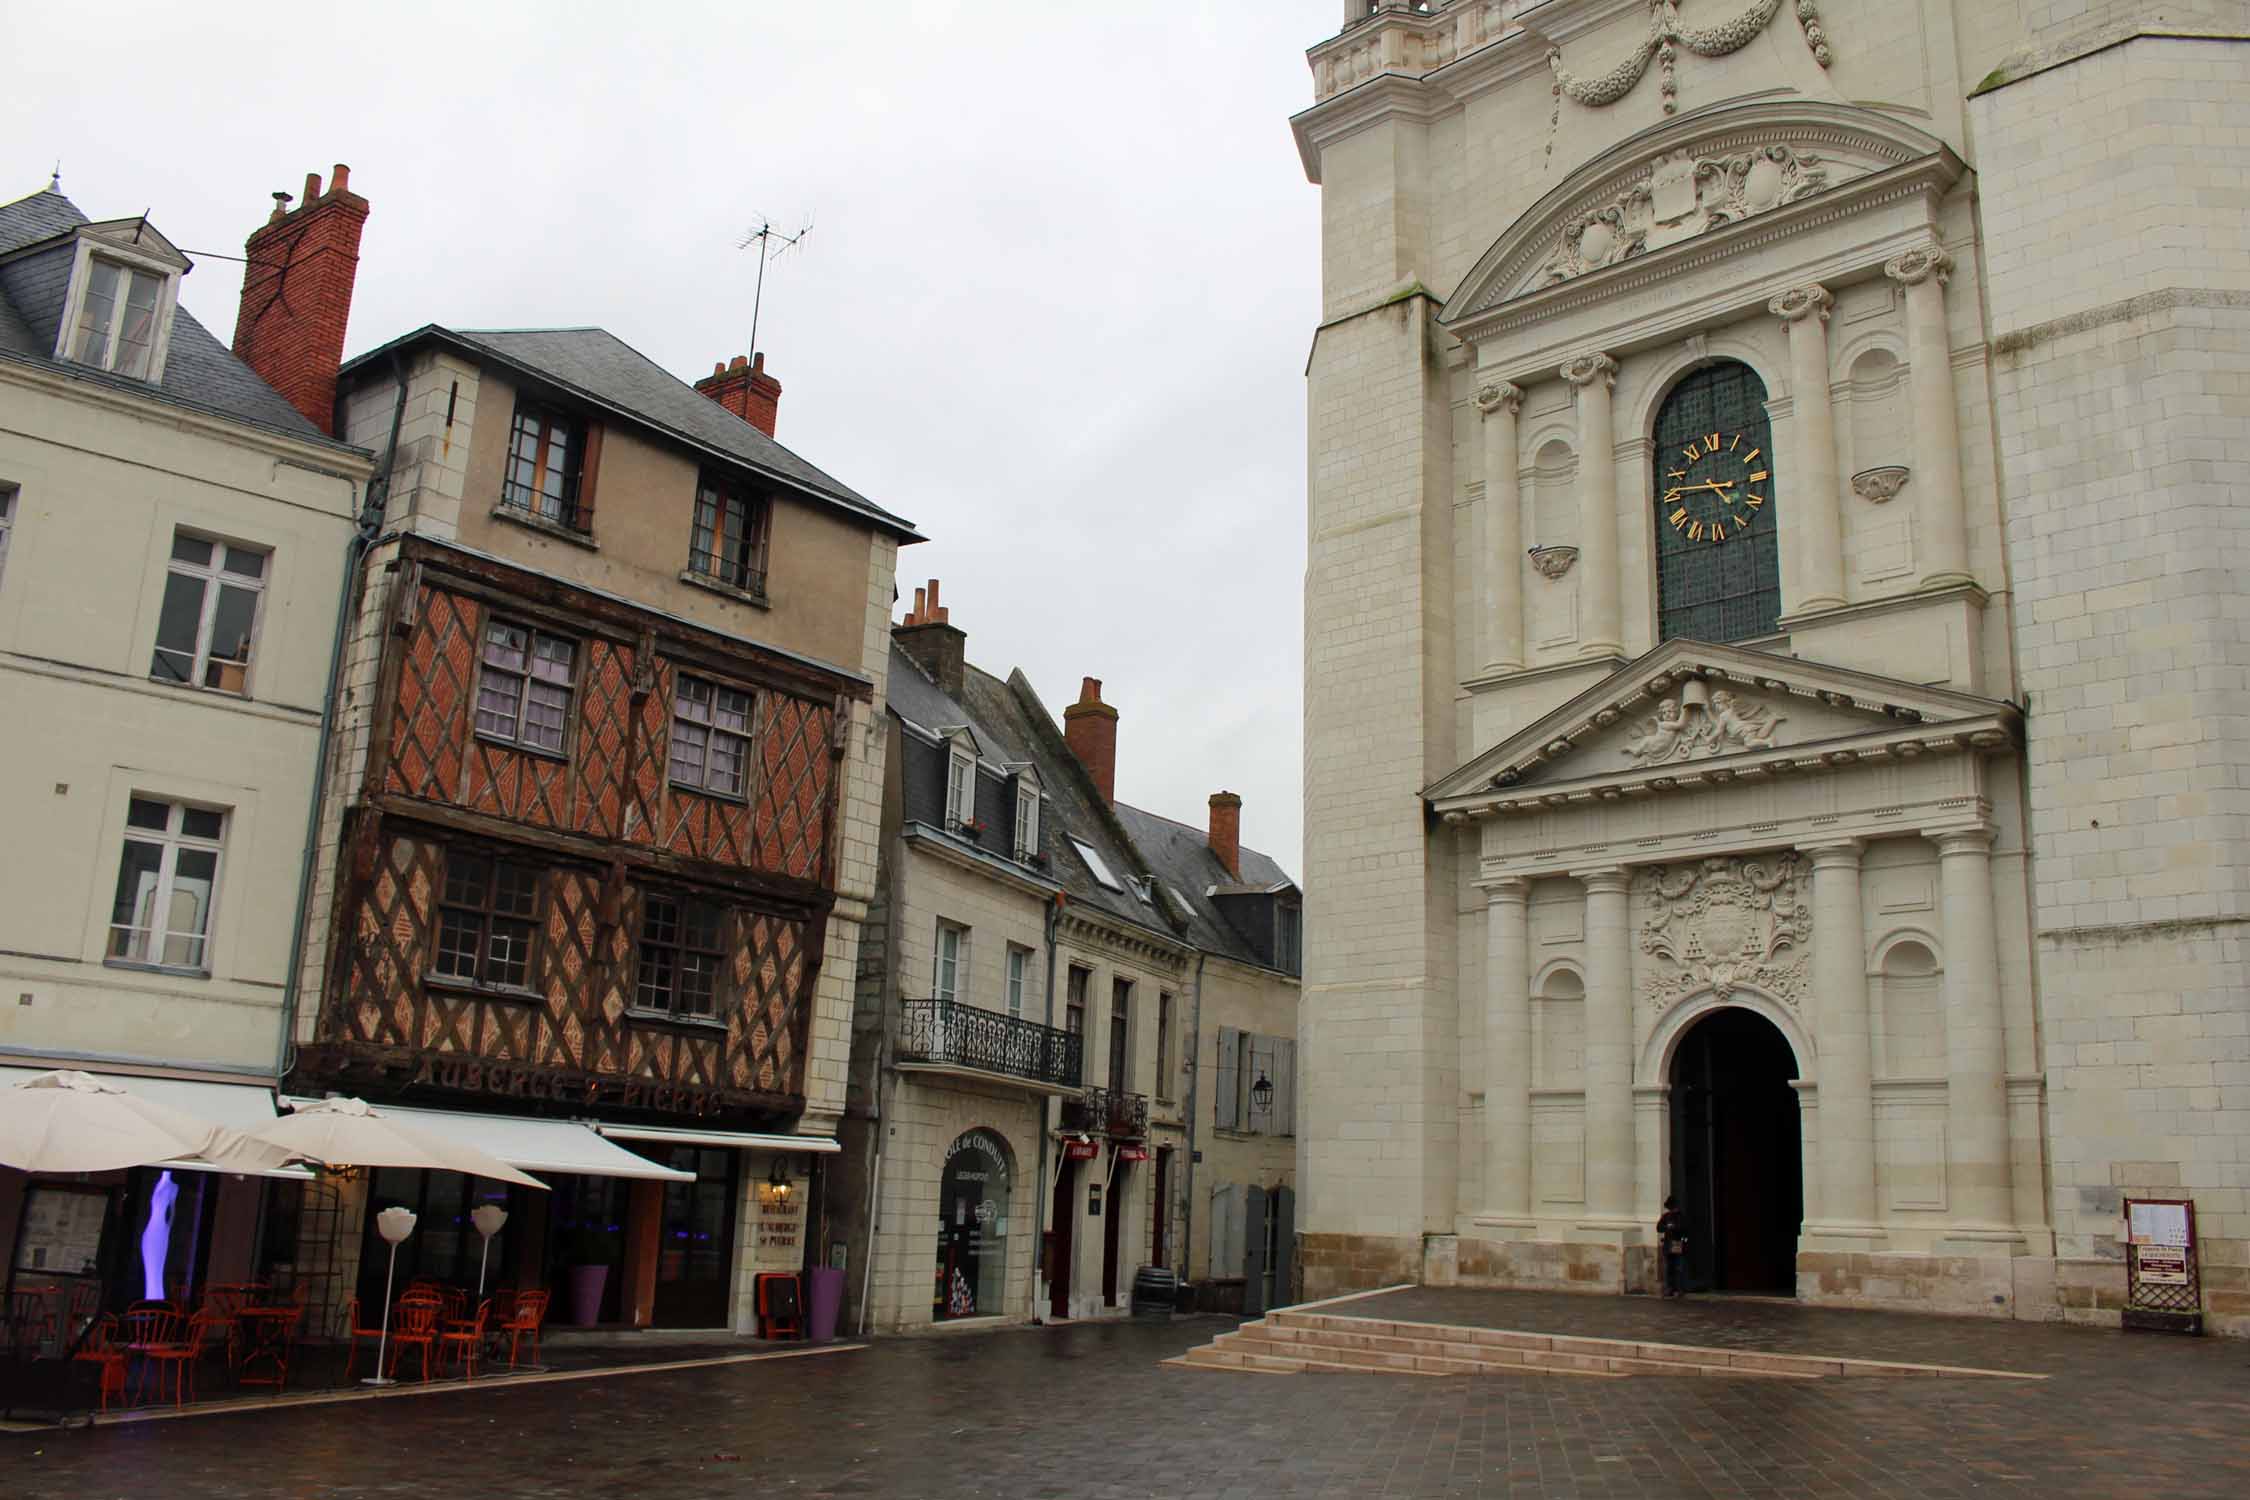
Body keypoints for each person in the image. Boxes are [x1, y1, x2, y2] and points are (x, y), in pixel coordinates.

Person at [1656, 1196, 1688, 1298]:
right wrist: (1667, 1227)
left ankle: (1680, 1289)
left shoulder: (1681, 1216)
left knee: (1679, 1267)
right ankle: (1669, 1289)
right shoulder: (1666, 1216)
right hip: (1668, 1244)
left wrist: (1673, 1227)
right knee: (1668, 1268)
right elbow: (1659, 1228)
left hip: (1677, 1243)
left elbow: (1684, 1229)